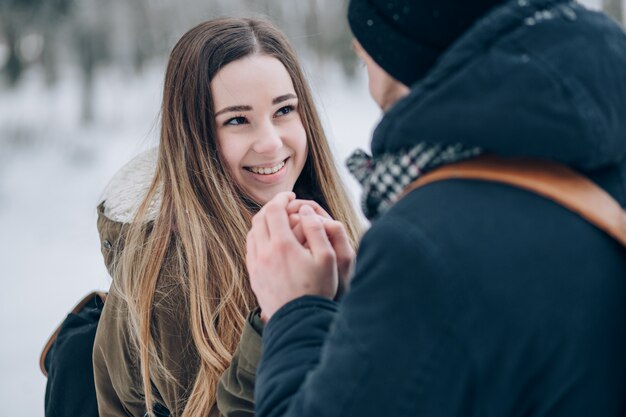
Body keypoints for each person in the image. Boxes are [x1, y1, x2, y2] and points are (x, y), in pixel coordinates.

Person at [246, 0, 626, 416]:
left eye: (363, 59)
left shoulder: (424, 246)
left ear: (397, 57)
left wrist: (293, 309)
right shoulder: (601, 161)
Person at [92, 17, 362, 417]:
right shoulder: (173, 285)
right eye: (237, 119)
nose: (271, 142)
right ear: (194, 137)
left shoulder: (326, 225)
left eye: (284, 110)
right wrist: (281, 318)